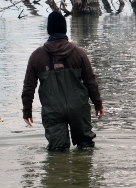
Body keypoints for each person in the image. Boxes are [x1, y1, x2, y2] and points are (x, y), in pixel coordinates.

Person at [22, 11, 104, 151]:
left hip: (52, 110)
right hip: (78, 108)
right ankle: (84, 171)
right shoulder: (79, 53)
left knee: (57, 151)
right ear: (65, 29)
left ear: (48, 30)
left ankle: (59, 171)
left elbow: (28, 87)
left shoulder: (36, 56)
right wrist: (98, 104)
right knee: (86, 146)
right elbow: (91, 82)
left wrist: (27, 111)